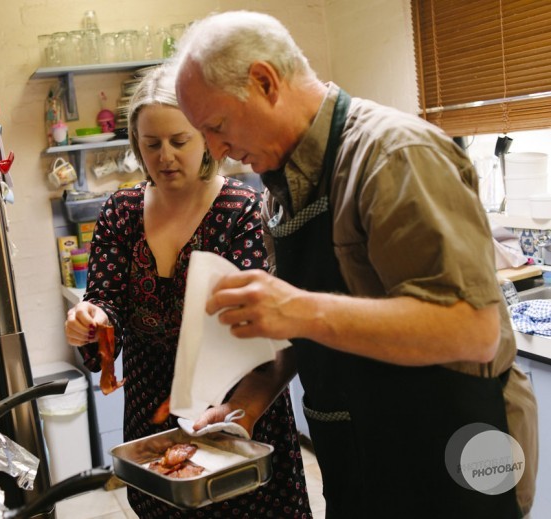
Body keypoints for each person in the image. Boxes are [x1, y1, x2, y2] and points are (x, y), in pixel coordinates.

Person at [172, 11, 538, 519]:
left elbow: (471, 331)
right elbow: (303, 330)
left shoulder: (393, 156)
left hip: (452, 450)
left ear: (265, 82)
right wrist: (247, 404)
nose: (216, 151)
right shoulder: (279, 188)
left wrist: (297, 309)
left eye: (216, 126)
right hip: (357, 451)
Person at [65, 63, 312, 518]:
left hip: (235, 405)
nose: (165, 157)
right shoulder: (120, 211)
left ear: (206, 139)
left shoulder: (240, 210)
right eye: (151, 144)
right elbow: (105, 298)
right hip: (151, 409)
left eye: (179, 141)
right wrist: (91, 320)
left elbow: (255, 328)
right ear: (136, 143)